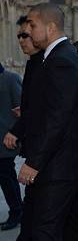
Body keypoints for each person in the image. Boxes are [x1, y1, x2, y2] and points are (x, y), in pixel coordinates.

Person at [6, 3, 78, 241]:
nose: (28, 32)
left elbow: (58, 119)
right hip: (63, 164)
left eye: (32, 26)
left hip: (57, 166)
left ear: (48, 27)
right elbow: (43, 109)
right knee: (70, 228)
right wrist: (20, 130)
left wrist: (34, 164)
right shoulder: (52, 59)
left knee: (45, 233)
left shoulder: (61, 62)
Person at [1, 16, 43, 241]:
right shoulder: (34, 65)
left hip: (44, 155)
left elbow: (52, 114)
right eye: (18, 36)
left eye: (26, 35)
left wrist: (33, 160)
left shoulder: (50, 64)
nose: (21, 41)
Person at [0, 62, 23, 231]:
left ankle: (17, 211)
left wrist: (15, 132)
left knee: (7, 177)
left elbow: (23, 109)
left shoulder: (10, 78)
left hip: (6, 139)